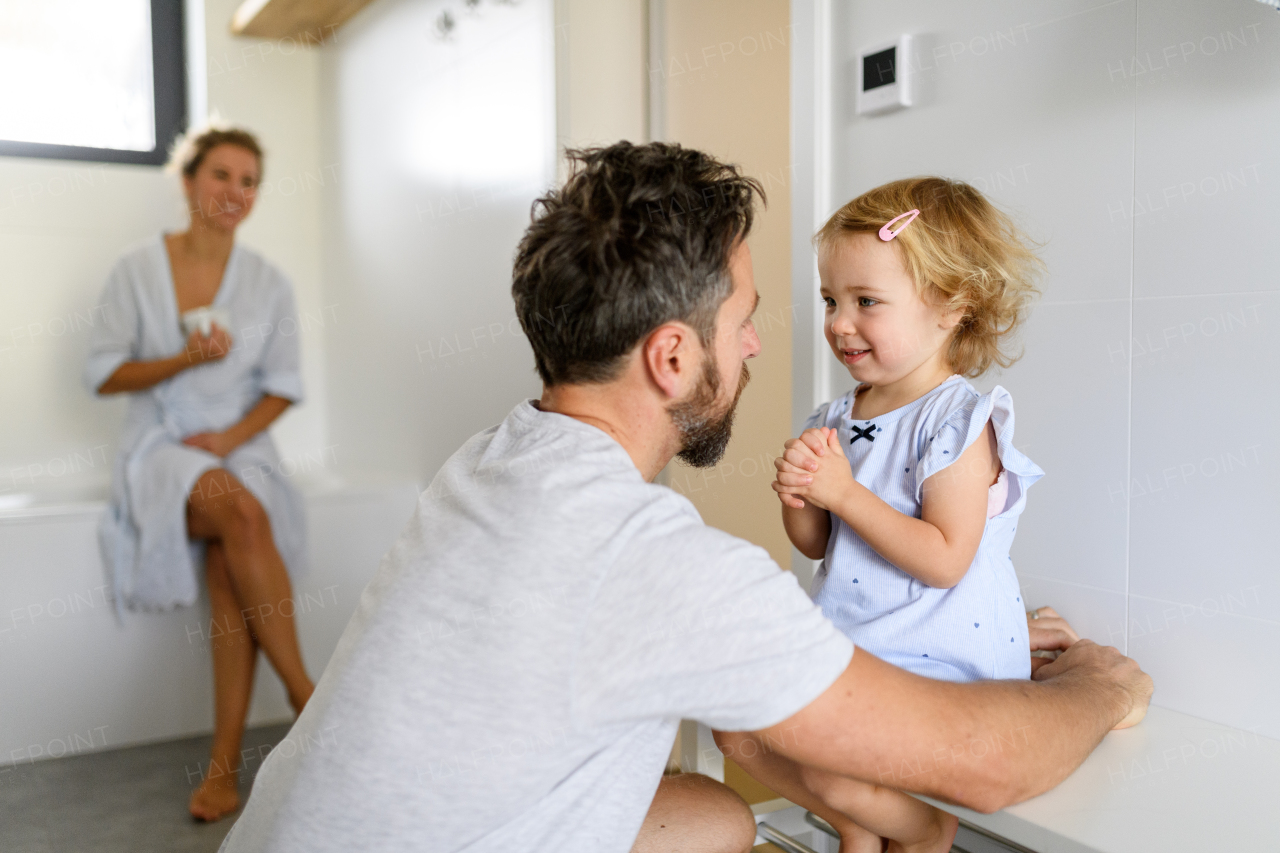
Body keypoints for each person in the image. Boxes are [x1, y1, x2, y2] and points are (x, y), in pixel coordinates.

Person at [216, 142, 1151, 853]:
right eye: (743, 322)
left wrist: (965, 629)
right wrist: (1099, 685)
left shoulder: (492, 461)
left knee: (711, 818)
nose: (757, 347)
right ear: (671, 356)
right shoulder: (655, 559)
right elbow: (984, 766)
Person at [763, 178, 1054, 852]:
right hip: (862, 646)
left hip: (938, 659)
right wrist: (800, 496)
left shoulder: (956, 418)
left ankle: (923, 834)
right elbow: (817, 545)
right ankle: (865, 835)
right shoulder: (836, 415)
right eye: (831, 299)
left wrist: (844, 493)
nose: (839, 322)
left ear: (951, 307)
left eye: (866, 301)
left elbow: (946, 556)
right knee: (816, 768)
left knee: (844, 779)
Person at [84, 126, 315, 822]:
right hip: (160, 446)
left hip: (239, 446)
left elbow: (282, 386)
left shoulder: (269, 282)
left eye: (249, 181)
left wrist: (230, 436)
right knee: (241, 513)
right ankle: (307, 696)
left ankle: (222, 771)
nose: (235, 192)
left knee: (228, 557)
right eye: (222, 175)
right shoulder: (134, 269)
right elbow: (103, 373)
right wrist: (185, 359)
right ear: (187, 182)